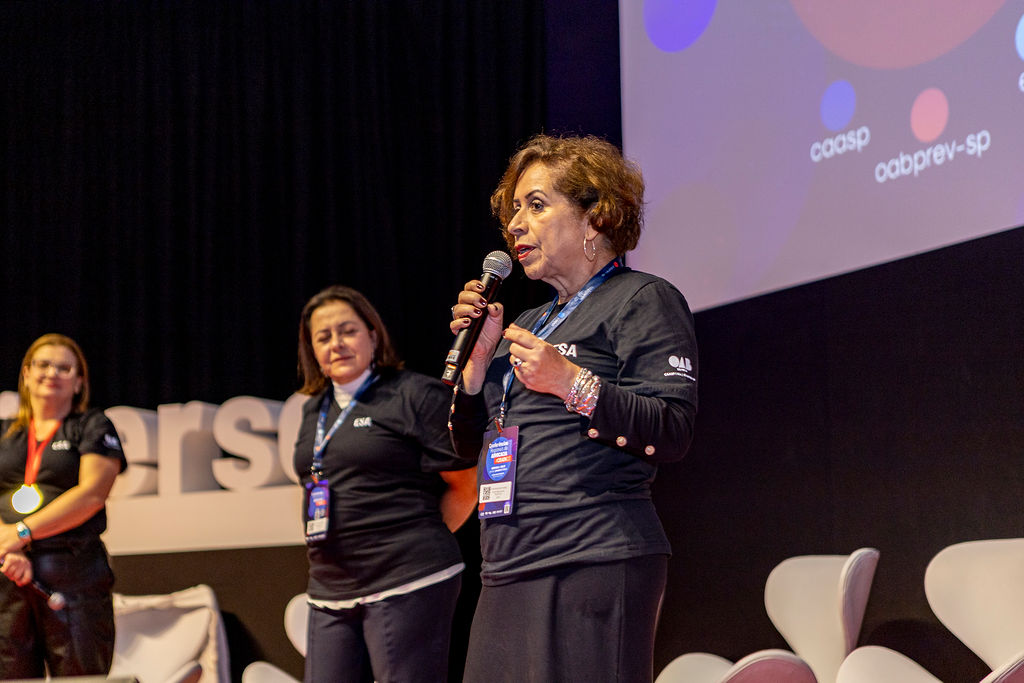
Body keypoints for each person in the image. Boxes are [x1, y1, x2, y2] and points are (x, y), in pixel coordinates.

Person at [448, 134, 698, 681]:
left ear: (594, 218)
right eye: (514, 210)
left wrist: (572, 383)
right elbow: (467, 447)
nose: (516, 225)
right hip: (506, 564)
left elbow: (672, 429)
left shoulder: (641, 298)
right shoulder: (527, 323)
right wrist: (476, 371)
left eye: (536, 205)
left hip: (593, 556)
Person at [293, 285, 478, 683]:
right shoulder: (313, 411)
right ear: (312, 350)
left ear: (373, 336)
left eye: (348, 331)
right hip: (330, 588)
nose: (336, 344)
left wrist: (411, 542)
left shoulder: (413, 395)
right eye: (323, 337)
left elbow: (467, 484)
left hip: (408, 579)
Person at [0, 333, 127, 678]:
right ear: (26, 373)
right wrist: (7, 545)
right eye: (43, 364)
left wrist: (21, 532)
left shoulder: (92, 426)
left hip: (73, 576)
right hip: (8, 574)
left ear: (79, 382)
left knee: (80, 676)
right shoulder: (5, 432)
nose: (52, 373)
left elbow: (91, 495)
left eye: (64, 368)